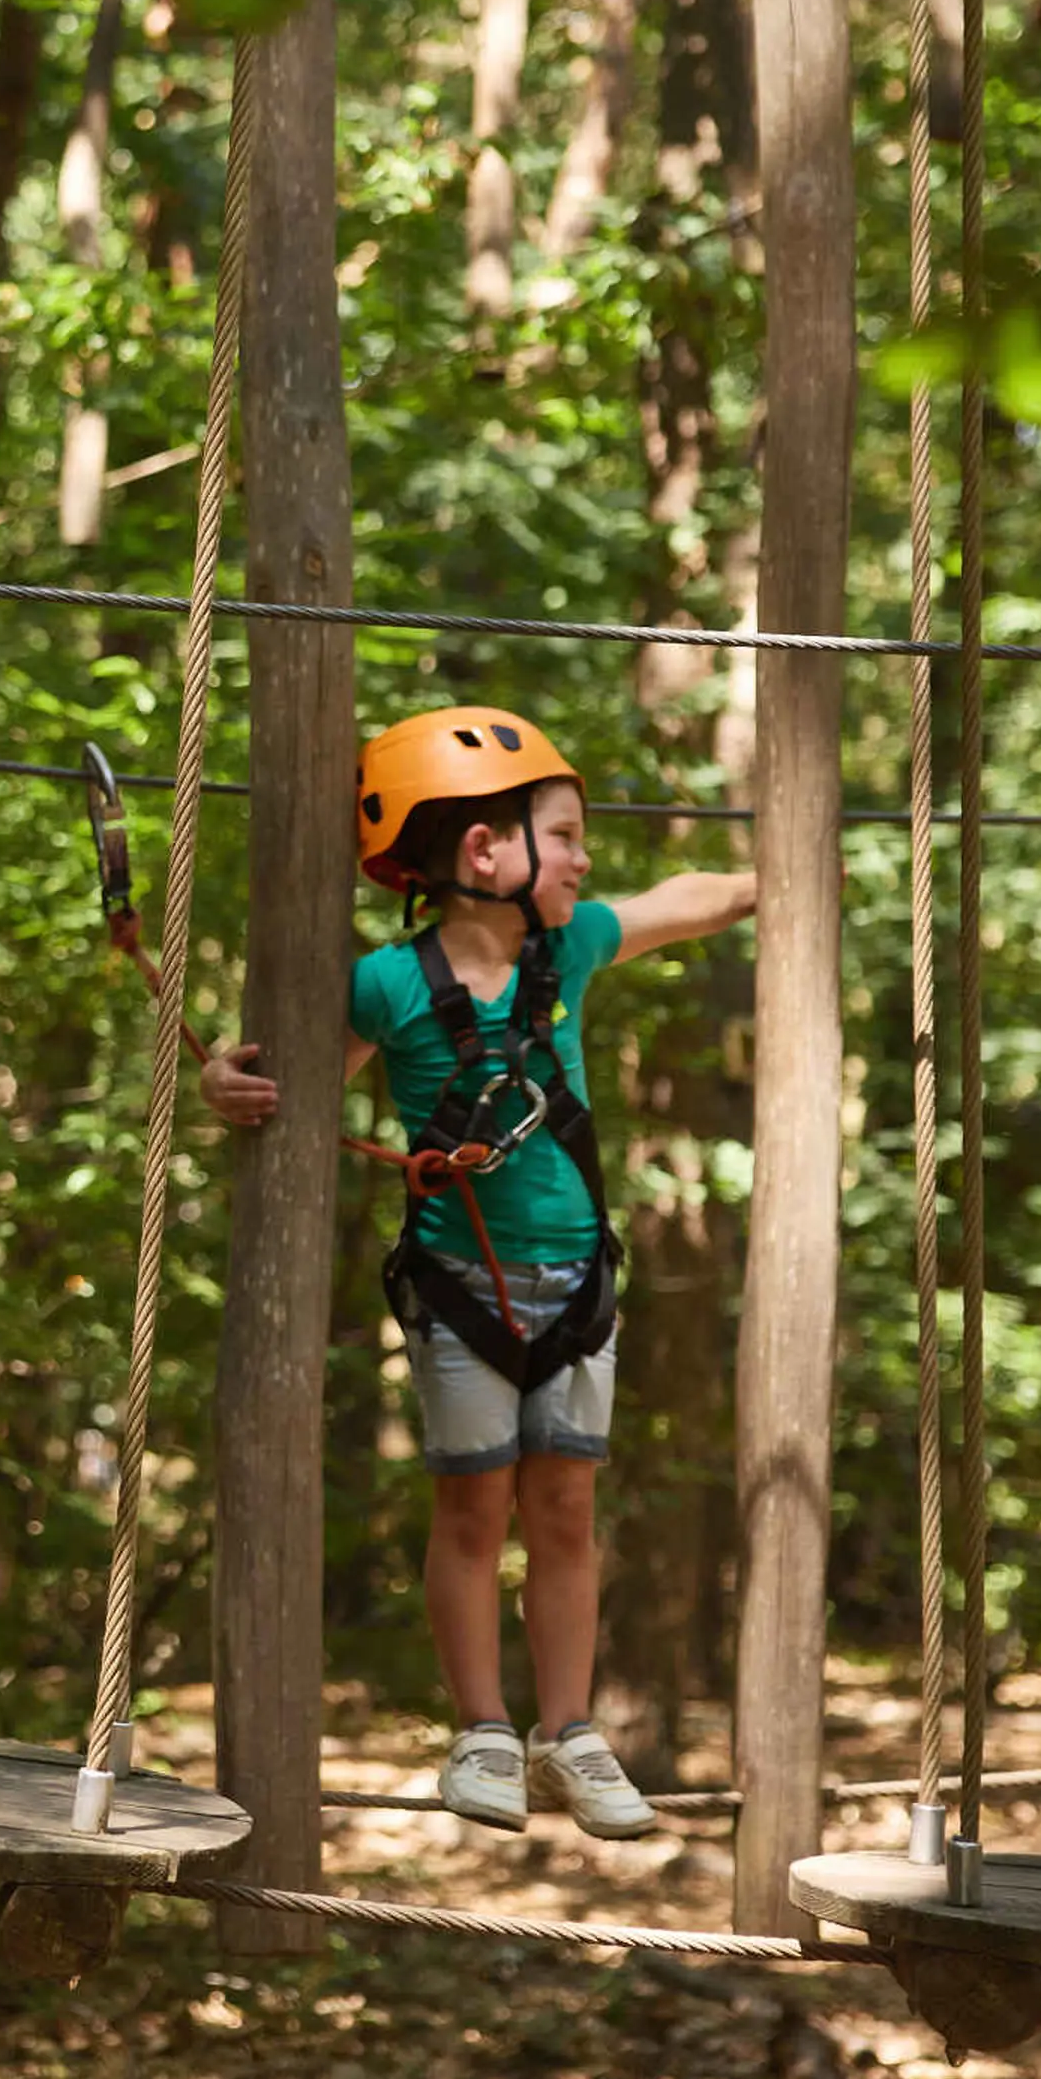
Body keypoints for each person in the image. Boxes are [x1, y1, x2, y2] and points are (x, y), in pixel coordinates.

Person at [200, 707, 754, 1837]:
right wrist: (223, 1081)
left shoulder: (571, 949)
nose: (586, 860)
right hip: (463, 1289)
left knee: (566, 1508)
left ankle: (569, 1732)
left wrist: (776, 874)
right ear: (485, 851)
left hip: (577, 1288)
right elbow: (284, 1079)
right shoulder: (386, 985)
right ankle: (485, 1731)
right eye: (566, 835)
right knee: (471, 1510)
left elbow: (684, 900)